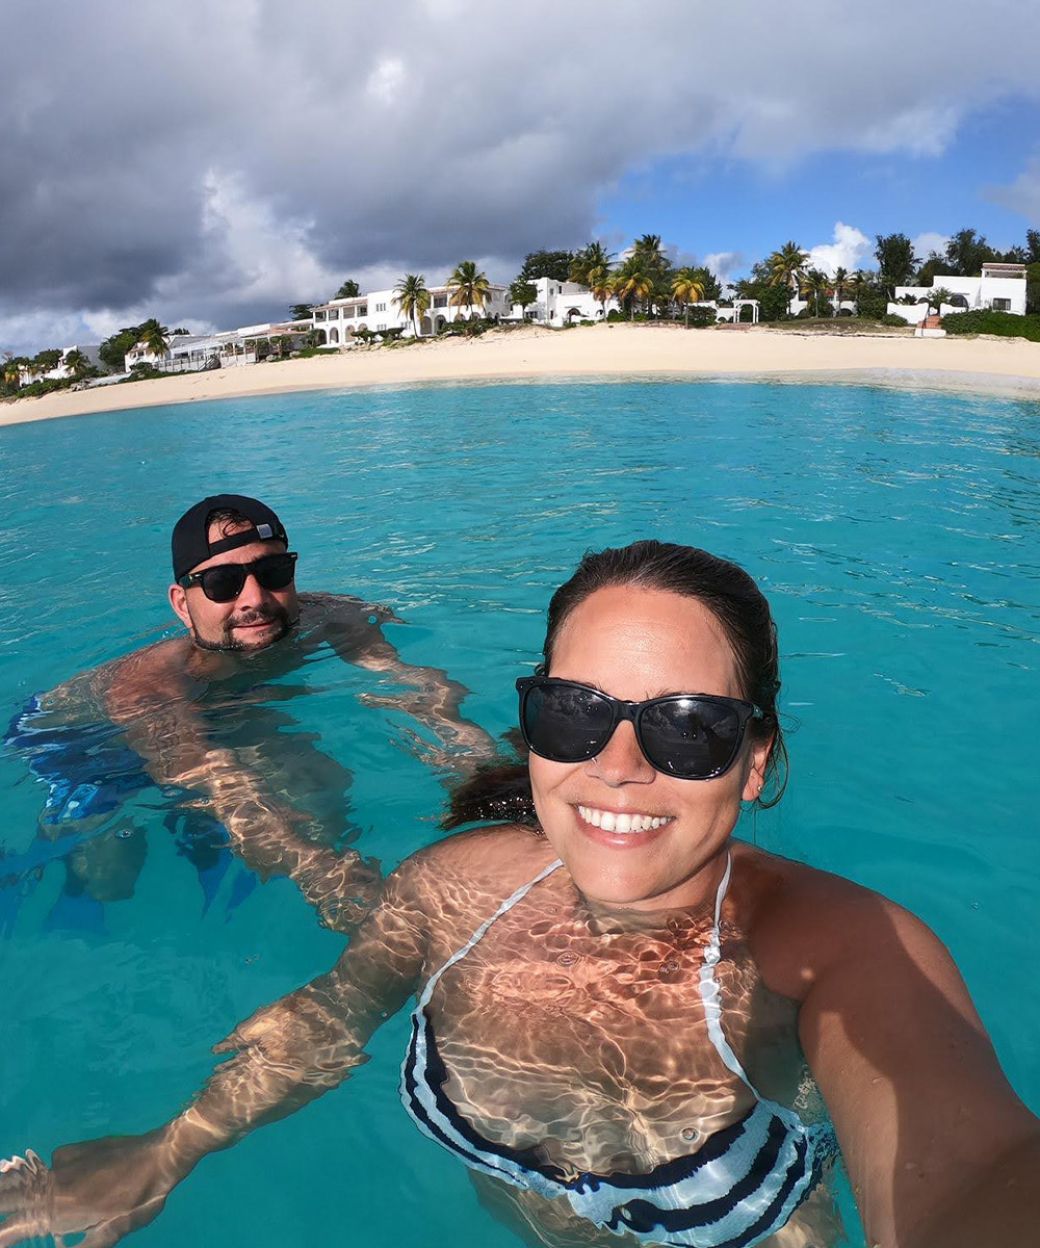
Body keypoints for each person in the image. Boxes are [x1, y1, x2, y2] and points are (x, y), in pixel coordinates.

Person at [2, 540, 1037, 1248]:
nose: (617, 767)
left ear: (755, 757)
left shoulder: (838, 953)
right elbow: (332, 1016)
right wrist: (169, 1148)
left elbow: (970, 1173)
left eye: (686, 726)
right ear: (533, 725)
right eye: (575, 713)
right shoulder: (450, 886)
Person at [3, 494, 493, 932]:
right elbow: (216, 783)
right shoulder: (148, 685)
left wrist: (475, 764)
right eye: (222, 583)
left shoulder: (332, 616)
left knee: (318, 786)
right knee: (110, 876)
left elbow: (418, 688)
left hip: (213, 718)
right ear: (182, 604)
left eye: (273, 572)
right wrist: (328, 879)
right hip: (83, 744)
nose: (255, 599)